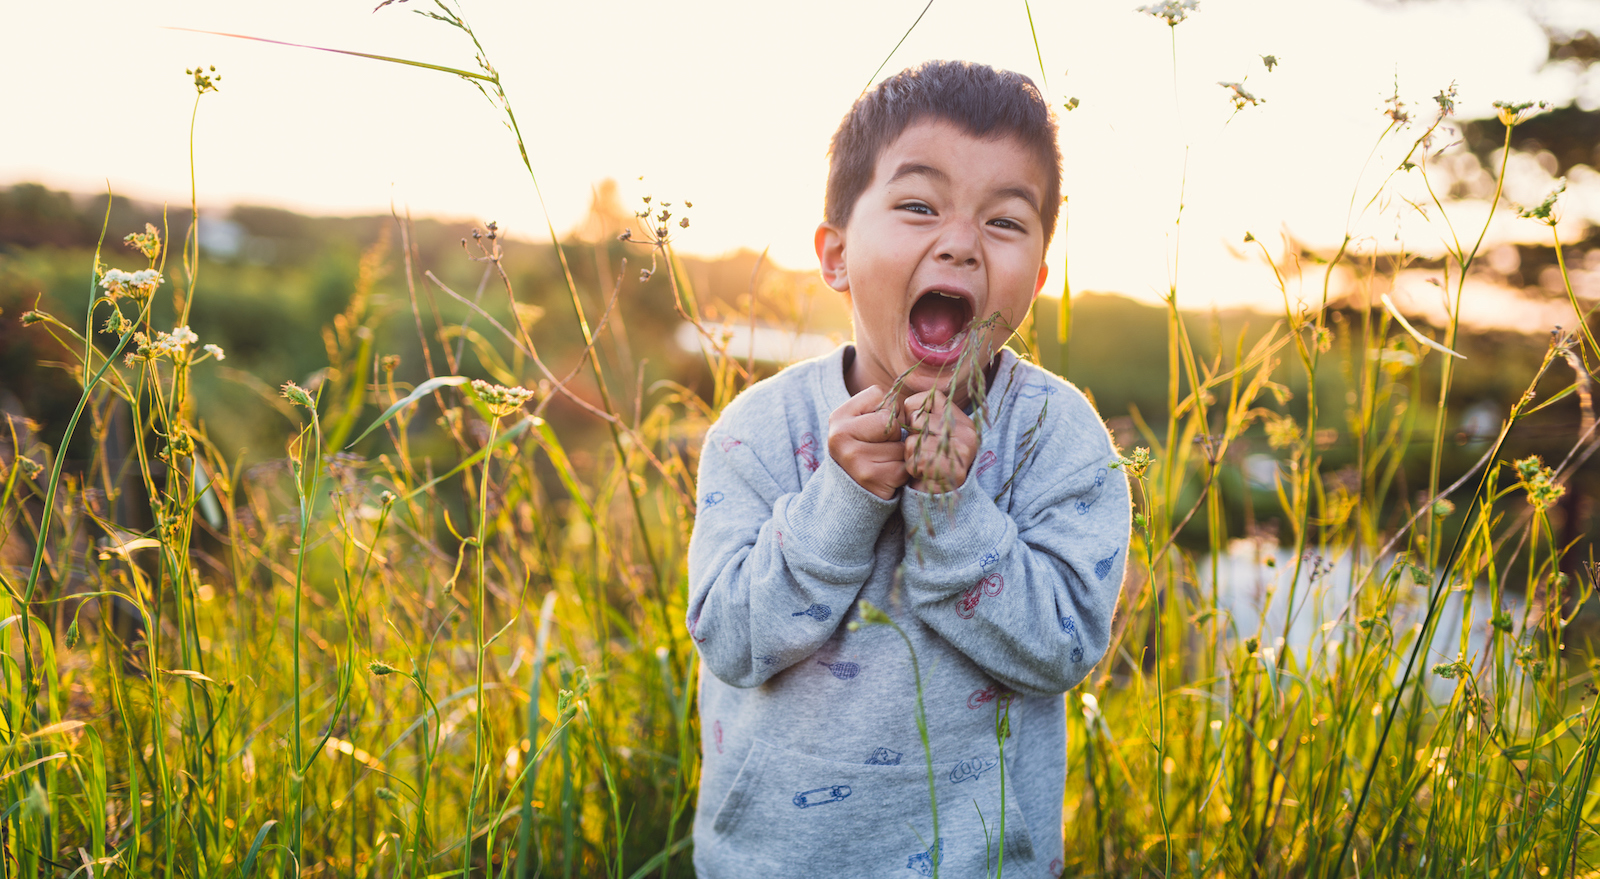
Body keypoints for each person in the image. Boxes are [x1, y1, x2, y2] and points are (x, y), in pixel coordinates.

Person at [685, 59, 1130, 877]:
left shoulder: (1055, 437)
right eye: (919, 206)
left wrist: (955, 514)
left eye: (1004, 221)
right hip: (775, 859)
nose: (959, 243)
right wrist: (839, 502)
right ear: (837, 255)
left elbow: (1063, 648)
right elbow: (730, 639)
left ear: (1038, 272)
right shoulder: (757, 432)